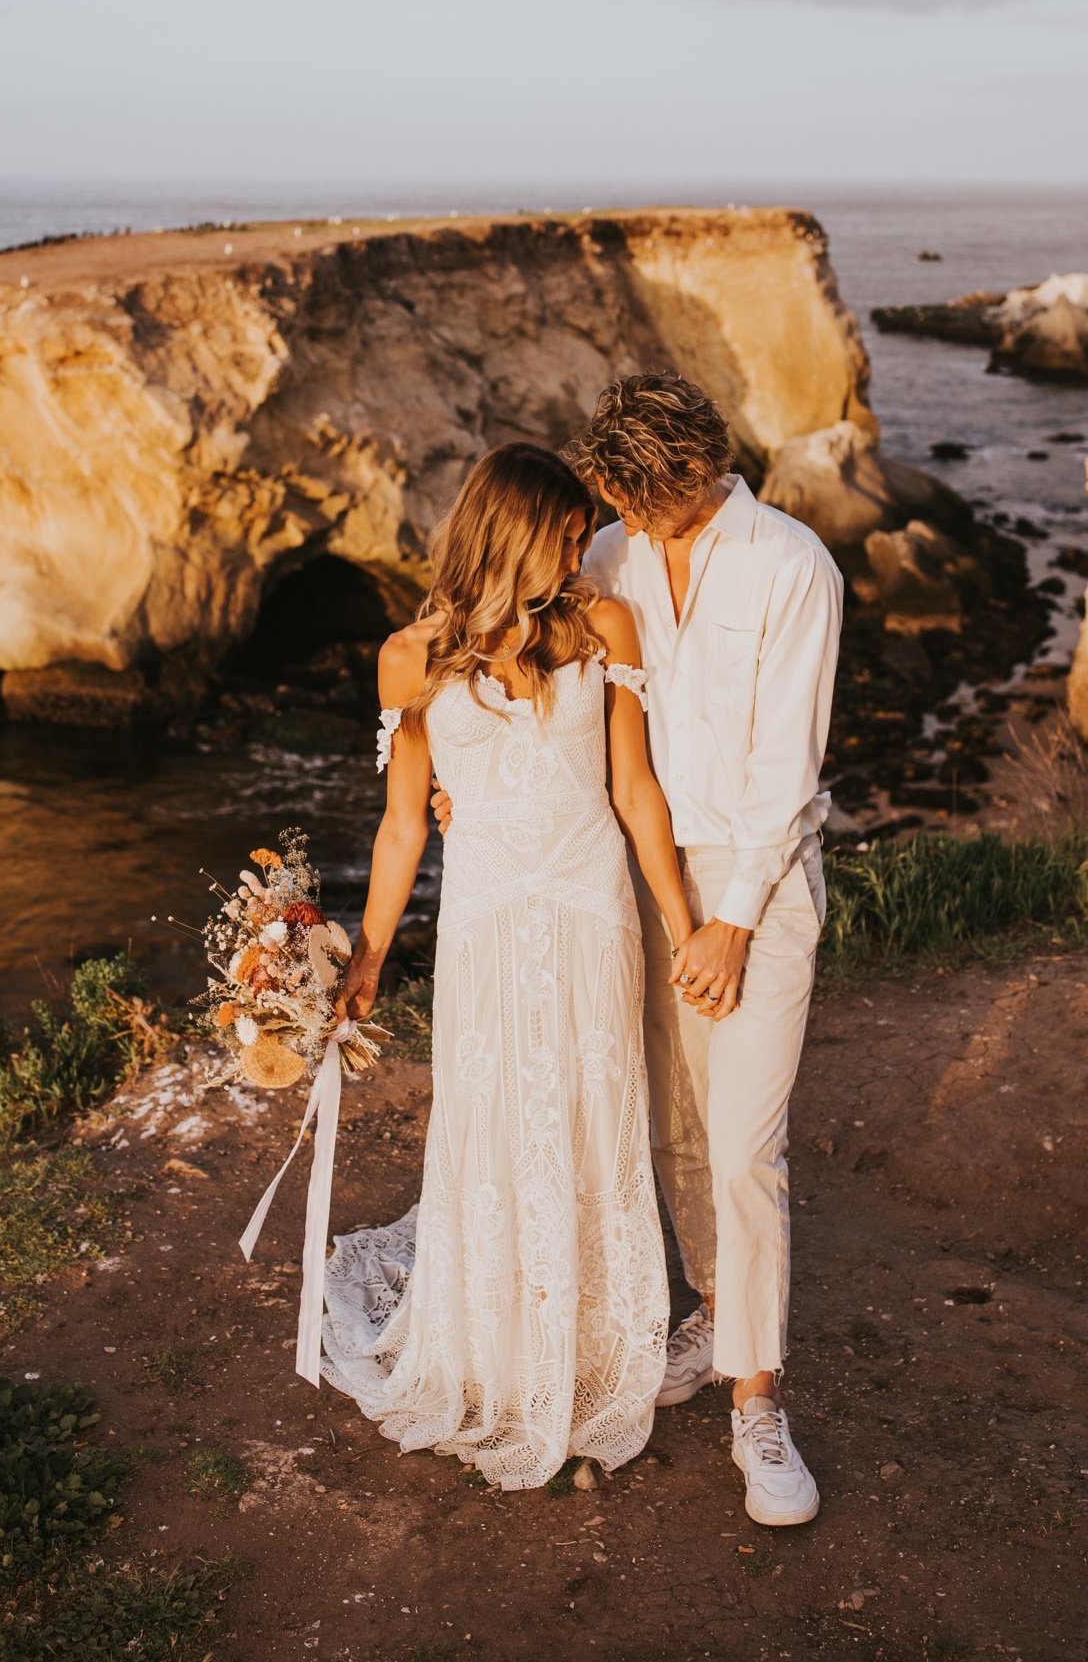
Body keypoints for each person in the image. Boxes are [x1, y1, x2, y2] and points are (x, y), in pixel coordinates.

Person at [325, 443, 697, 1490]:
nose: (581, 554)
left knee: (587, 1110)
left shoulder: (600, 628)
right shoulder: (411, 658)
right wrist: (371, 950)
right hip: (483, 916)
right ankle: (494, 1345)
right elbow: (403, 825)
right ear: (510, 531)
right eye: (566, 535)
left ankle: (587, 1346)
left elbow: (634, 787)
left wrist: (677, 921)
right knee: (490, 1116)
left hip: (592, 906)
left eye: (584, 536)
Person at [567, 371, 842, 1527]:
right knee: (673, 1122)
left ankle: (759, 1399)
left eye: (639, 495)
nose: (625, 518)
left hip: (759, 885)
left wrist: (728, 918)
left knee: (742, 1144)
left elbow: (790, 759)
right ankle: (716, 1309)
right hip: (640, 864)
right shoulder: (606, 553)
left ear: (688, 471)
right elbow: (560, 687)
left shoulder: (792, 564)